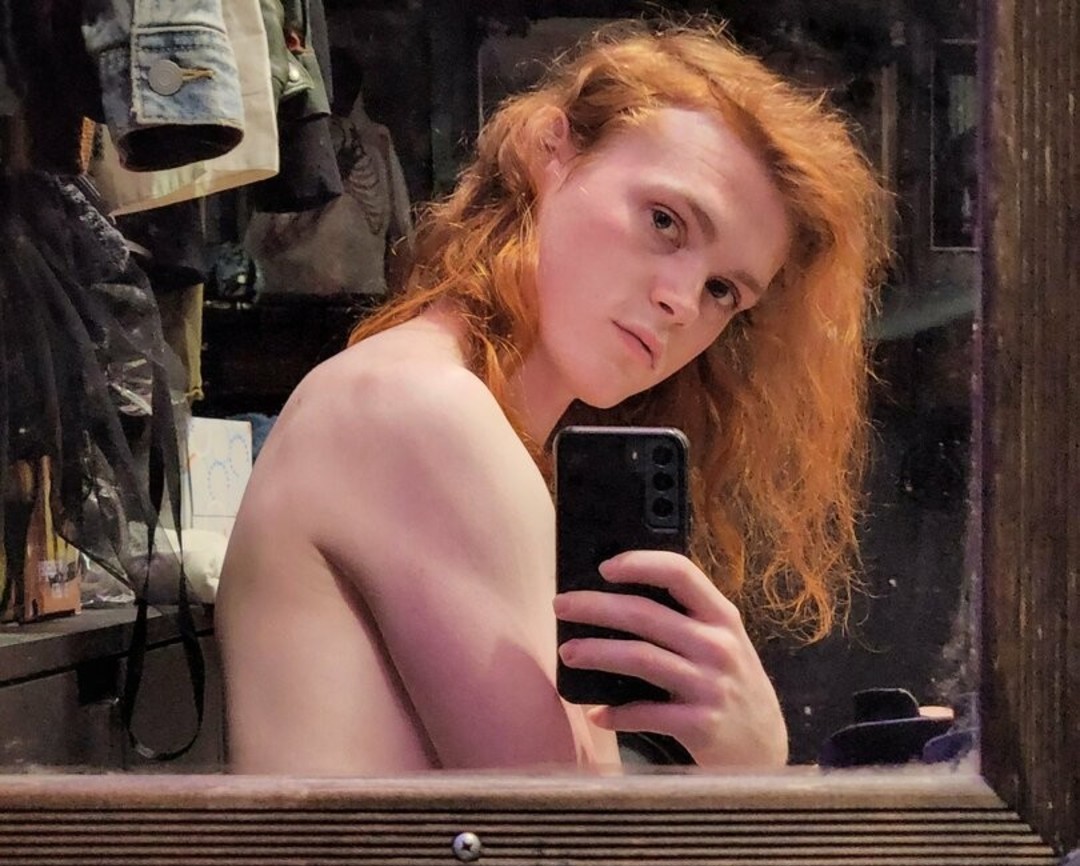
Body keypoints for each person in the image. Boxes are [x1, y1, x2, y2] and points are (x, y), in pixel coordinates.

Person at [215, 18, 888, 775]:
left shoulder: (435, 400)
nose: (681, 302)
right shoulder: (422, 409)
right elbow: (569, 832)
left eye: (723, 290)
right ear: (550, 151)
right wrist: (753, 759)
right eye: (665, 222)